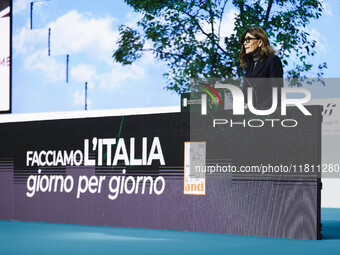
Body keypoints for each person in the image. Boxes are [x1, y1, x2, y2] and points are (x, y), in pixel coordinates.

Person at [239, 27, 283, 109]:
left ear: (259, 42)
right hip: (249, 115)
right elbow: (245, 95)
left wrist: (258, 109)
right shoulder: (249, 66)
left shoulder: (273, 60)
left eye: (248, 39)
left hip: (266, 114)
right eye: (244, 41)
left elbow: (277, 93)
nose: (245, 43)